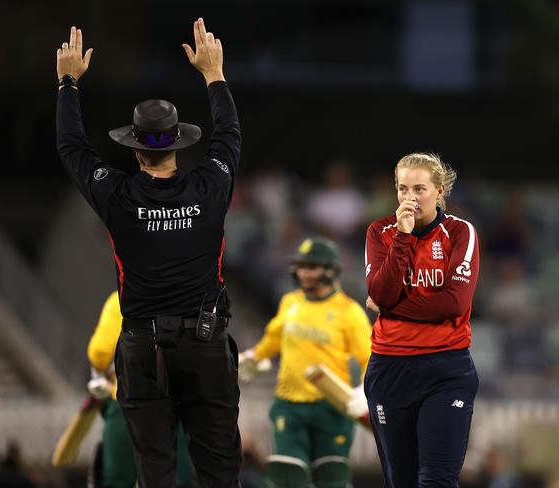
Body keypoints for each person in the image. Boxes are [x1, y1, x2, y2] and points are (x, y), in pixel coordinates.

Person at [56, 19, 242, 487]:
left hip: (143, 350)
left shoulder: (116, 196)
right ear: (179, 141)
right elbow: (229, 137)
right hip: (206, 346)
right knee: (219, 470)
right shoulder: (212, 184)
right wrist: (213, 74)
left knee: (153, 472)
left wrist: (68, 82)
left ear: (135, 148)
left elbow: (71, 146)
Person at [364, 153, 480, 487]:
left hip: (445, 368)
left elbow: (454, 303)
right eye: (402, 189)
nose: (409, 197)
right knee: (400, 480)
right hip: (389, 368)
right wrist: (403, 236)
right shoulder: (380, 232)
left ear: (440, 191)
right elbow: (383, 292)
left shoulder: (460, 233)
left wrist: (390, 308)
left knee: (436, 480)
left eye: (419, 188)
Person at [238, 237, 372, 488]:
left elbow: (371, 358)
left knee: (332, 478)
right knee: (287, 476)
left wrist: (365, 390)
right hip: (289, 405)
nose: (304, 273)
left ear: (330, 270)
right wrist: (254, 358)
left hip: (331, 407)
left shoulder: (349, 312)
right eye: (300, 266)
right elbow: (273, 338)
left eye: (312, 267)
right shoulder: (291, 302)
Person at [87, 291, 197, 488]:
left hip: (127, 400)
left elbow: (100, 351)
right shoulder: (184, 295)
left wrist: (103, 372)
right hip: (175, 401)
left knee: (118, 480)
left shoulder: (120, 299)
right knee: (181, 481)